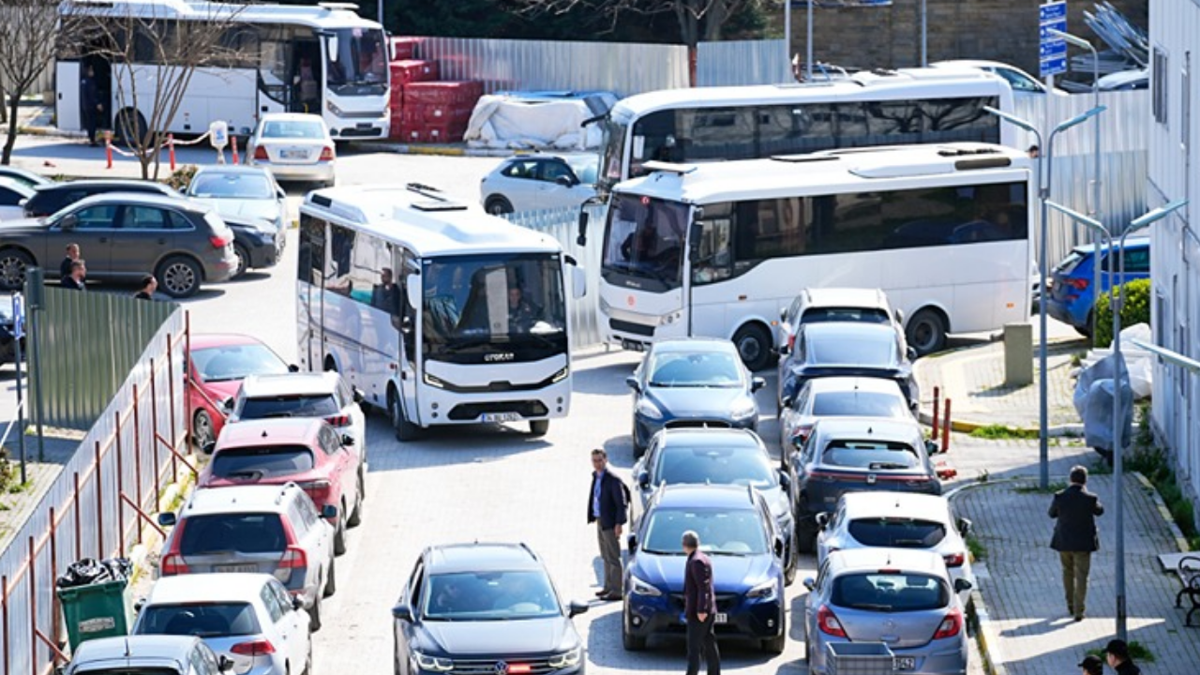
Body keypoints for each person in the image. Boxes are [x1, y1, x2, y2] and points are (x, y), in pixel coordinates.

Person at [1049, 465, 1104, 621]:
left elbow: (1051, 514)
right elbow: (1100, 511)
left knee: (1067, 572)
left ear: (1070, 479)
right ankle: (1079, 611)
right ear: (1085, 481)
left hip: (1064, 542)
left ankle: (1070, 605)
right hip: (1083, 544)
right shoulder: (1090, 498)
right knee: (1081, 576)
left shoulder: (1059, 496)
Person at [586, 448, 628, 602]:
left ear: (605, 460)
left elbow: (621, 504)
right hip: (600, 520)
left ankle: (617, 590)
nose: (597, 463)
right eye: (594, 460)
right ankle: (608, 587)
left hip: (610, 523)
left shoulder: (612, 479)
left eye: (599, 460)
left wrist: (619, 523)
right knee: (605, 555)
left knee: (613, 556)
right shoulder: (596, 477)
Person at [683, 530, 720, 675]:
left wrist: (701, 610)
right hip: (705, 611)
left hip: (699, 613)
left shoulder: (696, 561)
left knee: (693, 648)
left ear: (684, 545)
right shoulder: (701, 557)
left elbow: (702, 588)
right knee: (709, 642)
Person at [80, 66, 101, 147]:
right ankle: (92, 140)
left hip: (86, 106)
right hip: (91, 106)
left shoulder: (83, 81)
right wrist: (97, 104)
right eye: (91, 71)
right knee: (92, 123)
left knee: (90, 123)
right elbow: (92, 95)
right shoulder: (90, 82)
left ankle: (91, 139)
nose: (93, 72)